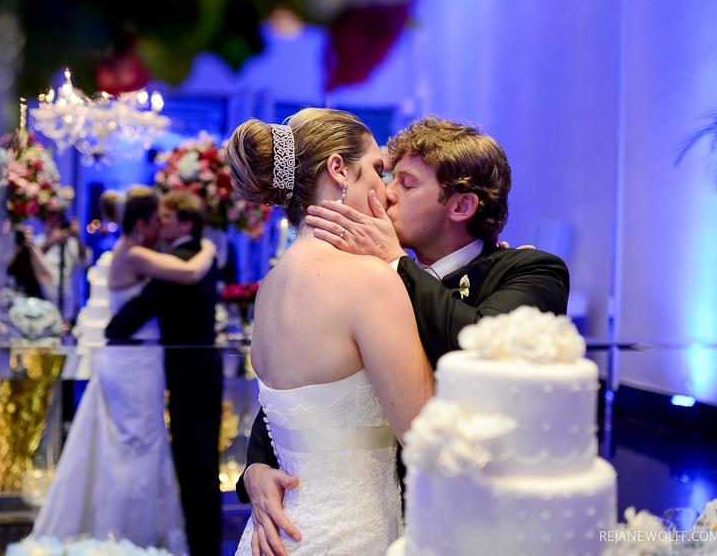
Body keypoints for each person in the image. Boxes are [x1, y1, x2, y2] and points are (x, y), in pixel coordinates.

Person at [240, 115, 571, 556]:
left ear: (461, 206)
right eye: (385, 173)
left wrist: (398, 264)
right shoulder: (366, 279)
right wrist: (256, 468)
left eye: (406, 183)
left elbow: (485, 353)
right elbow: (301, 400)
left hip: (475, 526)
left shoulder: (529, 271)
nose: (388, 191)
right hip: (361, 526)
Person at [224, 108, 436, 556]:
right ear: (339, 169)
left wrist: (255, 469)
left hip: (276, 534)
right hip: (353, 536)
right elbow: (425, 434)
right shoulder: (370, 279)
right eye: (377, 169)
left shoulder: (269, 288)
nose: (386, 189)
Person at [31, 186, 216, 554]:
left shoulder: (135, 252)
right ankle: (129, 537)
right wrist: (209, 247)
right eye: (157, 220)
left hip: (138, 361)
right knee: (136, 445)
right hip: (133, 363)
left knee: (135, 444)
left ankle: (132, 533)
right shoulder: (134, 254)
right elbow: (190, 271)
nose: (160, 226)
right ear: (142, 223)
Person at [106, 190, 225, 556]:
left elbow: (125, 321)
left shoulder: (179, 261)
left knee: (194, 462)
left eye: (168, 218)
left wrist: (116, 327)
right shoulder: (197, 253)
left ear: (186, 224)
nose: (161, 223)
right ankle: (206, 542)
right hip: (203, 369)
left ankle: (201, 546)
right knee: (204, 461)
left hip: (188, 374)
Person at [36, 215, 93, 327]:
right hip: (44, 304)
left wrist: (77, 236)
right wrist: (51, 241)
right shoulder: (39, 241)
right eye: (51, 225)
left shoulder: (71, 243)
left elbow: (85, 261)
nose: (55, 229)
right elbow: (32, 262)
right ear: (44, 224)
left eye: (58, 225)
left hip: (69, 306)